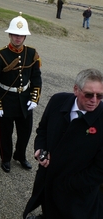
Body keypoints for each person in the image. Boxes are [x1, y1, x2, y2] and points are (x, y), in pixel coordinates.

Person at [23, 68, 103, 219]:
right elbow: (43, 129)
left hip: (76, 193)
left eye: (100, 96)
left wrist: (68, 184)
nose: (94, 100)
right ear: (76, 90)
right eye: (88, 94)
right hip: (47, 179)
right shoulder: (57, 101)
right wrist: (40, 149)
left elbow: (100, 170)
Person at [0, 12, 42, 173]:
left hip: (25, 100)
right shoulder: (0, 55)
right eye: (15, 35)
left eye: (21, 35)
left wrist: (34, 98)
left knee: (25, 133)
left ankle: (20, 155)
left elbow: (36, 78)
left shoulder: (31, 54)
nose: (18, 38)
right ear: (10, 35)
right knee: (5, 134)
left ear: (25, 37)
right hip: (6, 99)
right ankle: (6, 158)